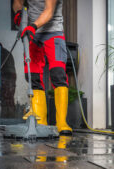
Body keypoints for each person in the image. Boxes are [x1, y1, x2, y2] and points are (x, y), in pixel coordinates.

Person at [13, 0, 72, 135]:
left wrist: (33, 26)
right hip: (33, 34)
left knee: (58, 75)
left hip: (53, 31)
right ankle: (40, 122)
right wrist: (18, 13)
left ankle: (62, 123)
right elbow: (17, 2)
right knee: (32, 76)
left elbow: (49, 11)